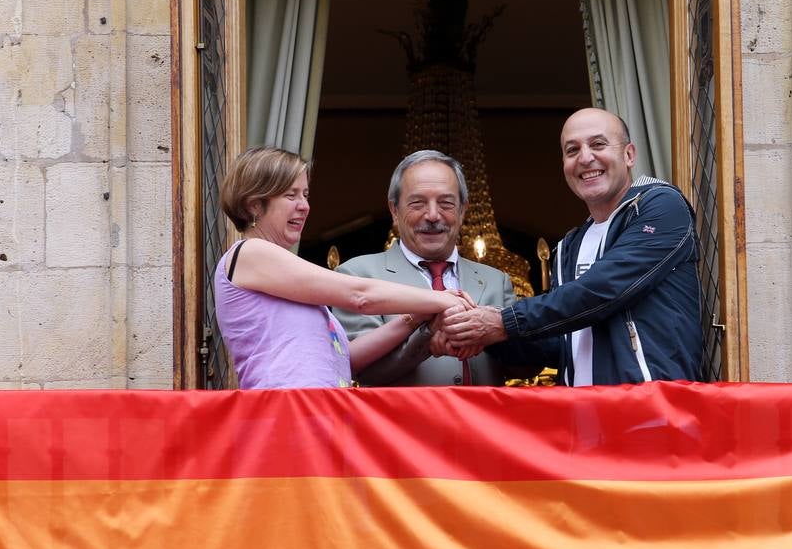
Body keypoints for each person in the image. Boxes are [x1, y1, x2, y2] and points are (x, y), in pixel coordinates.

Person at [438, 108, 703, 385]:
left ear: (629, 155)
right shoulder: (570, 245)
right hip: (584, 415)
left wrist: (503, 321)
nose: (586, 158)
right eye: (572, 150)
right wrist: (481, 335)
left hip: (652, 411)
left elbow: (601, 290)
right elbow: (560, 343)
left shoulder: (661, 205)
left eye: (598, 144)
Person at [214, 146, 471, 389]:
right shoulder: (250, 252)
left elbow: (346, 359)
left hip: (316, 413)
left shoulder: (281, 276)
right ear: (254, 205)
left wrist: (414, 319)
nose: (304, 206)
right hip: (286, 415)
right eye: (290, 195)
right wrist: (441, 300)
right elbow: (359, 295)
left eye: (305, 195)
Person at [331, 150, 518, 386]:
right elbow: (360, 369)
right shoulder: (357, 276)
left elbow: (526, 365)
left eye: (446, 203)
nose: (432, 215)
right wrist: (426, 339)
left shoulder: (496, 280)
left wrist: (492, 333)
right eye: (417, 203)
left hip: (484, 422)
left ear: (462, 211)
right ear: (395, 211)